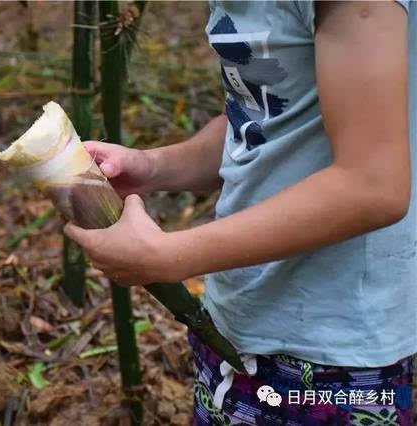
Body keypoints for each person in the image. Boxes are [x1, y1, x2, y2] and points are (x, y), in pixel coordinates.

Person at [64, 1, 416, 425]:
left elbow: (372, 186)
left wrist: (165, 257)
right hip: (241, 322)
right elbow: (264, 119)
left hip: (333, 351)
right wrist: (154, 167)